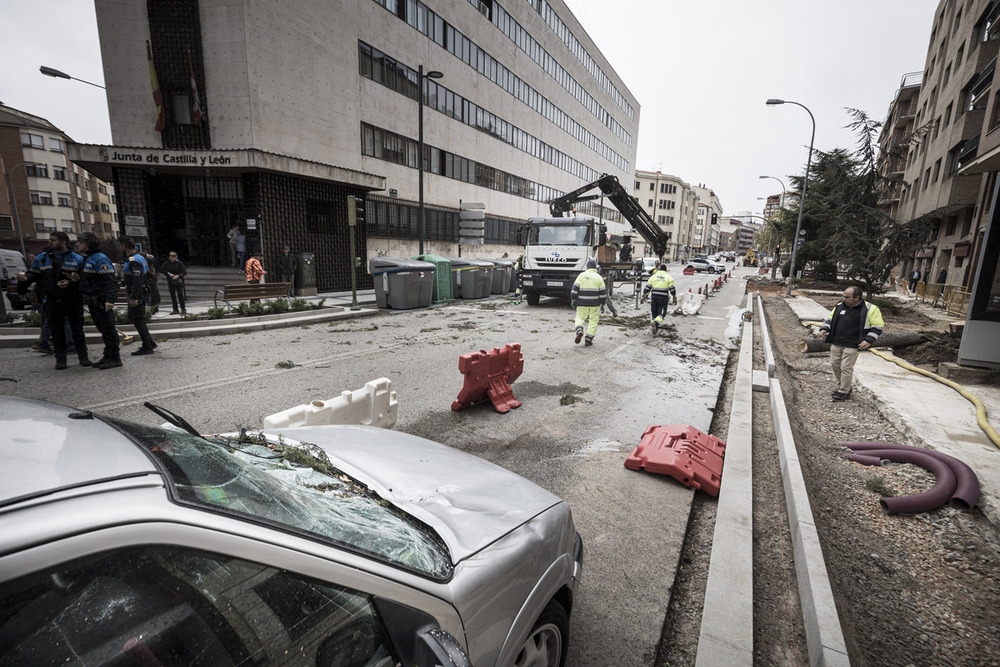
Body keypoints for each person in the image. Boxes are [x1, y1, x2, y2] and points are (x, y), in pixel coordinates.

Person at [18, 232, 90, 370]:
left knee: (77, 330)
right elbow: (32, 274)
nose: (50, 242)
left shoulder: (77, 258)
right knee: (56, 330)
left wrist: (71, 282)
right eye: (49, 240)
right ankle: (60, 359)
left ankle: (83, 357)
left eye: (53, 240)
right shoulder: (42, 258)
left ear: (63, 242)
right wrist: (23, 284)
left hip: (72, 299)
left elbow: (84, 279)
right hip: (51, 299)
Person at [816, 286, 884, 402]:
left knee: (846, 367)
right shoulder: (840, 306)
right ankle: (844, 386)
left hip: (853, 344)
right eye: (843, 296)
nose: (844, 299)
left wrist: (868, 340)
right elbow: (831, 320)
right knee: (834, 364)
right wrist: (824, 329)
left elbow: (878, 327)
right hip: (837, 341)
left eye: (847, 297)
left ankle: (844, 391)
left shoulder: (870, 309)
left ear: (857, 297)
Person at [74, 233, 121, 369]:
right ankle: (108, 355)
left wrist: (110, 300)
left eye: (79, 241)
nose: (77, 244)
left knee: (109, 330)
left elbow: (110, 281)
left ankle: (115, 358)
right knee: (103, 330)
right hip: (92, 301)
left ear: (87, 243)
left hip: (101, 300)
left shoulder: (100, 259)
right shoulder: (88, 258)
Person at [119, 238, 157, 356]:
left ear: (123, 245)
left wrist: (135, 297)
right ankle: (149, 342)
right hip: (139, 290)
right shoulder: (137, 257)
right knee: (136, 318)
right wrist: (125, 282)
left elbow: (138, 279)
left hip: (137, 292)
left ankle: (147, 346)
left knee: (137, 318)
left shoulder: (135, 260)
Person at [570, 257, 607, 347]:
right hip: (594, 304)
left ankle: (579, 330)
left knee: (579, 317)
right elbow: (603, 293)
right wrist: (602, 303)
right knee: (593, 321)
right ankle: (588, 339)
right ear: (595, 268)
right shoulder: (599, 278)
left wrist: (574, 299)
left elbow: (574, 289)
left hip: (582, 302)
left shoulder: (581, 276)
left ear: (587, 267)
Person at [641, 263, 677, 334]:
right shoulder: (668, 277)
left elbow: (647, 288)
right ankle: (656, 323)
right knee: (662, 313)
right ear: (665, 270)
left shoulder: (653, 277)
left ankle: (654, 327)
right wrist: (674, 297)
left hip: (654, 297)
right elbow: (672, 289)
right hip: (663, 298)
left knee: (654, 313)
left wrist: (643, 296)